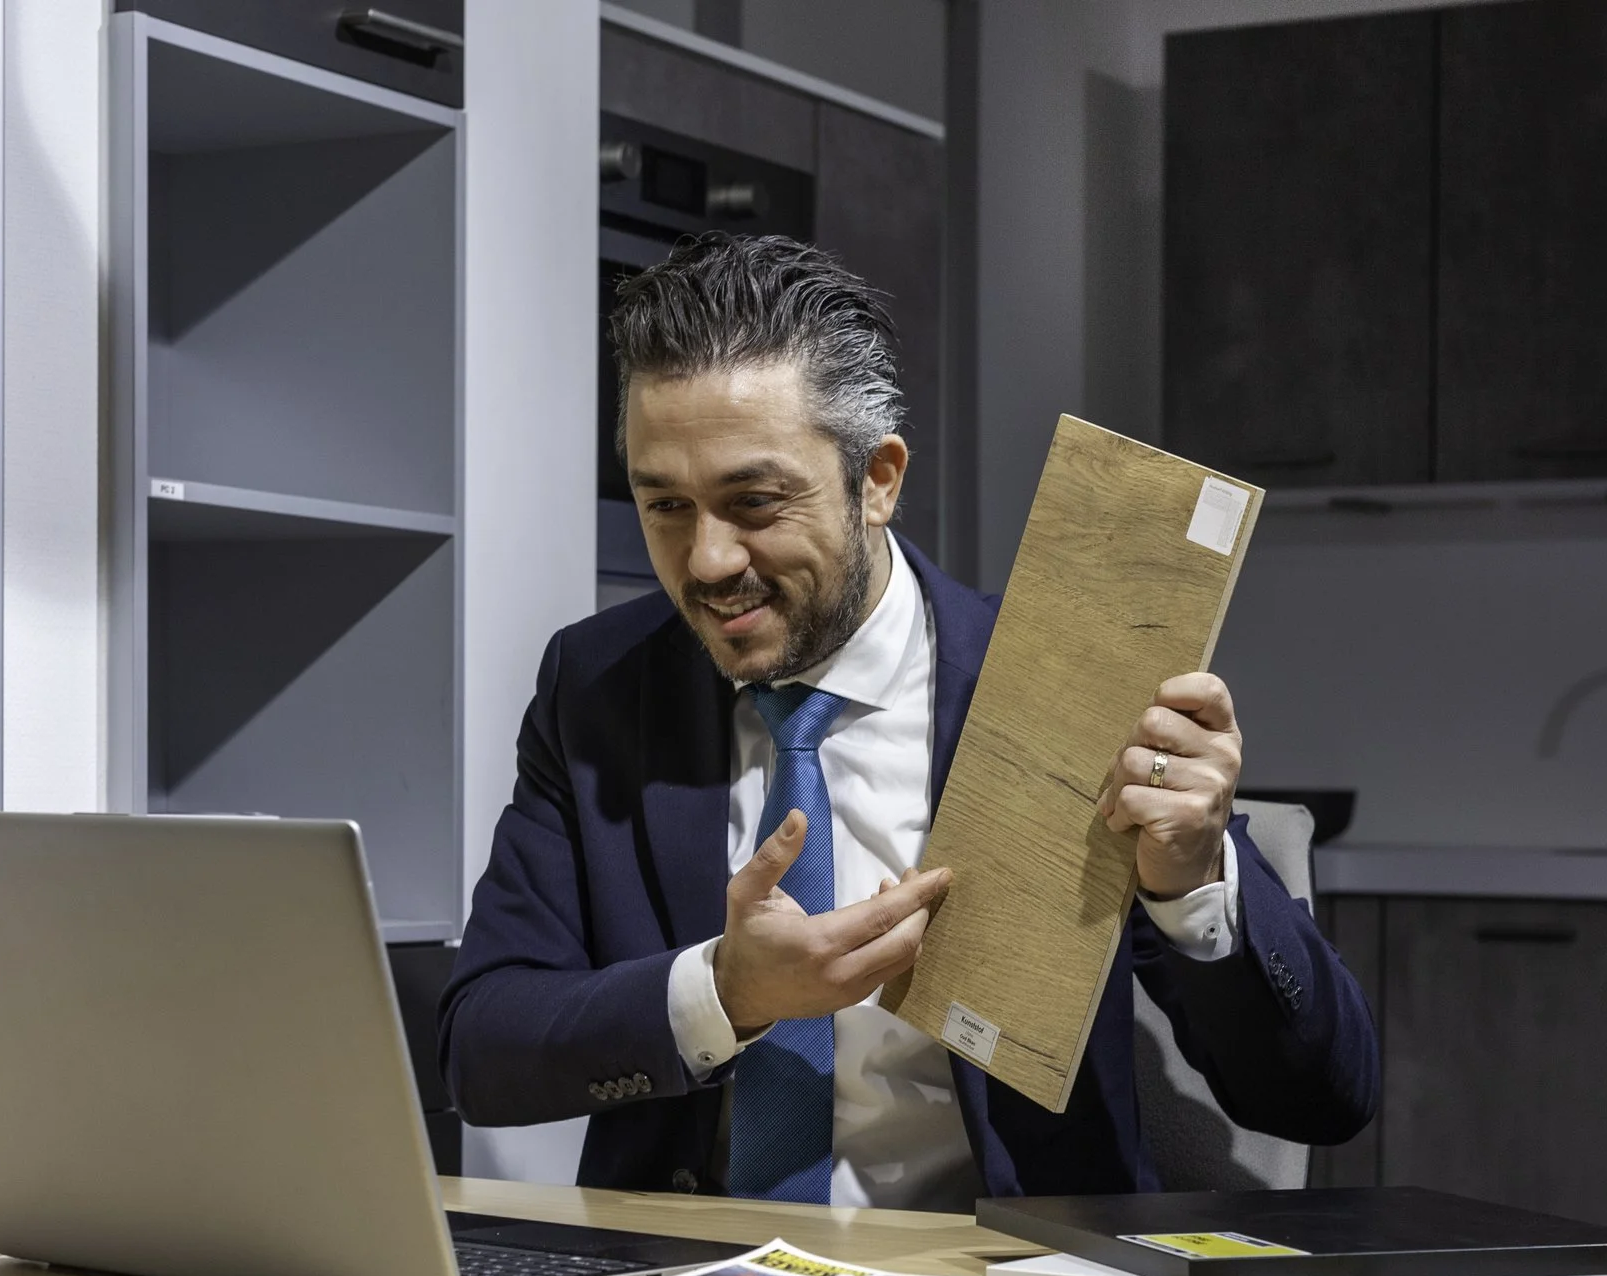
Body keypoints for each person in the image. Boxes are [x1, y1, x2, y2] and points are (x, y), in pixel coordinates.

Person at [441, 233, 1375, 1206]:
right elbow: (481, 1048)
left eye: (754, 501)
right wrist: (724, 991)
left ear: (877, 479)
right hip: (686, 1273)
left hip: (991, 1271)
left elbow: (1324, 1095)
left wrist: (1192, 882)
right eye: (666, 504)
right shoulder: (596, 685)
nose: (707, 559)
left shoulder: (1057, 693)